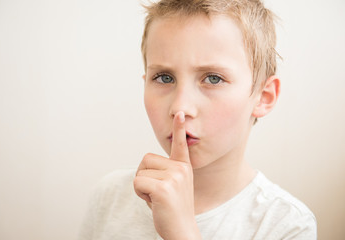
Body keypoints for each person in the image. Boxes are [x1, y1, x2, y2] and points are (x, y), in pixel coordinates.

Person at [79, 0, 317, 239]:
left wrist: (182, 232)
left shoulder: (287, 225)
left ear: (263, 97)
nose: (180, 108)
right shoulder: (108, 198)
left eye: (213, 79)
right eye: (164, 78)